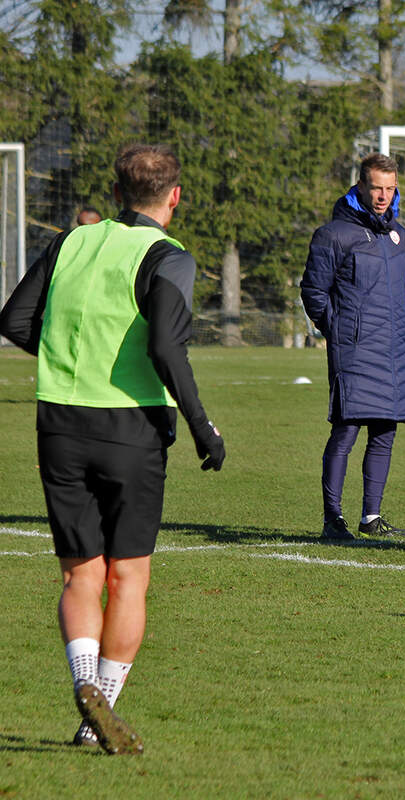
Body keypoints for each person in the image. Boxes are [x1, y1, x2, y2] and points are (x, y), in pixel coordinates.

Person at [0, 143, 225, 754]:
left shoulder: (71, 240)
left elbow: (16, 322)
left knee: (80, 571)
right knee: (128, 576)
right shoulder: (167, 255)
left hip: (60, 422)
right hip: (131, 429)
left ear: (118, 192)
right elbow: (165, 349)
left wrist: (71, 364)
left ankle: (82, 686)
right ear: (174, 196)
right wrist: (204, 427)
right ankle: (97, 709)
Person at [301, 153, 405, 540]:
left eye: (390, 188)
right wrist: (336, 328)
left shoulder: (399, 236)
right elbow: (314, 291)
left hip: (392, 345)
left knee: (385, 431)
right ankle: (332, 519)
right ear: (361, 186)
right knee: (346, 430)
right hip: (353, 345)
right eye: (376, 188)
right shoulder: (333, 234)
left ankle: (371, 517)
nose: (383, 196)